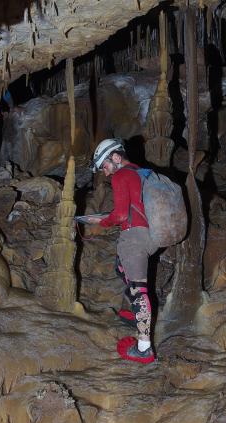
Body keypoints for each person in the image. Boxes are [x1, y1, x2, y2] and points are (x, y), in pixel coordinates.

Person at [87, 138, 158, 364]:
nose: (106, 173)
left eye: (105, 167)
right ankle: (133, 313)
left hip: (134, 237)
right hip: (151, 236)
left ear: (116, 157)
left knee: (139, 291)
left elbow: (119, 215)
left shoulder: (121, 175)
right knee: (120, 267)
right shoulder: (141, 172)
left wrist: (102, 222)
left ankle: (144, 348)